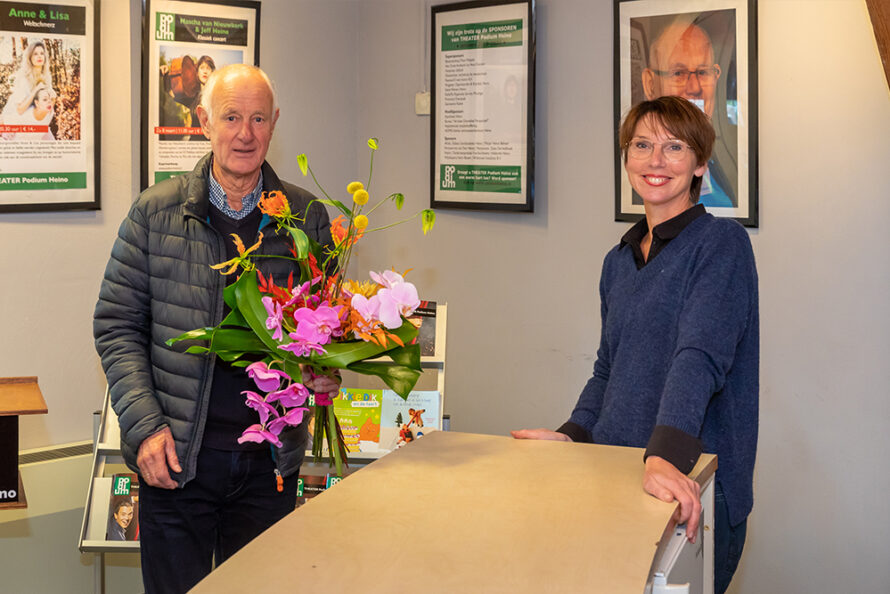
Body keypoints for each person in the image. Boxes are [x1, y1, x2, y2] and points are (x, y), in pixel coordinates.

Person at [94, 64, 339, 593]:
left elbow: (326, 328)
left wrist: (325, 371)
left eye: (257, 118)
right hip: (177, 462)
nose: (245, 134)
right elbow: (116, 325)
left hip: (269, 467)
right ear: (204, 121)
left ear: (275, 124)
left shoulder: (307, 217)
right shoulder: (153, 214)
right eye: (231, 117)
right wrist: (145, 428)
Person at [512, 96, 758, 594]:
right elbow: (608, 369)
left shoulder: (721, 245)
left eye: (674, 147)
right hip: (618, 475)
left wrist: (664, 456)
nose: (655, 160)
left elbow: (700, 358)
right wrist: (574, 434)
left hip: (692, 482)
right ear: (626, 159)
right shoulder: (618, 261)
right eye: (642, 145)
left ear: (699, 166)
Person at [641, 22, 736, 207]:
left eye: (703, 72)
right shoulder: (647, 171)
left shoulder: (719, 155)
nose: (695, 87)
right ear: (650, 84)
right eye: (678, 73)